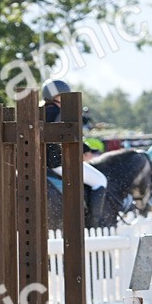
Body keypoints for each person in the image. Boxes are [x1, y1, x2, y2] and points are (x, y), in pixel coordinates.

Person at [42, 80, 108, 227]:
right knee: (100, 181)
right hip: (56, 162)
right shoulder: (58, 113)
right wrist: (85, 150)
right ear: (57, 96)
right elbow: (68, 135)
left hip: (39, 161)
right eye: (63, 96)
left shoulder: (40, 111)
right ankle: (93, 224)